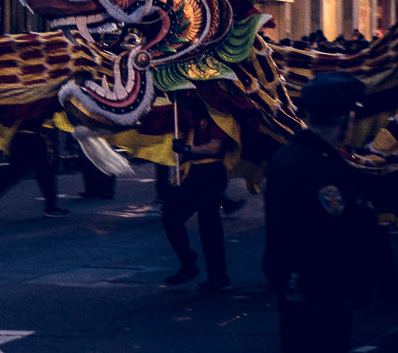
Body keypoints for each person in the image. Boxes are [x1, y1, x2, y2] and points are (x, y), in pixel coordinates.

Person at [263, 72, 386, 353]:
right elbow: (336, 237)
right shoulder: (325, 170)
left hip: (292, 288)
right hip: (321, 291)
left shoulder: (285, 157)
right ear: (346, 119)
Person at [159, 99, 233, 292]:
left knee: (209, 224)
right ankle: (188, 262)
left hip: (211, 172)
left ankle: (218, 277)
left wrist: (188, 150)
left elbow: (216, 146)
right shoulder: (188, 114)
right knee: (170, 216)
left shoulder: (219, 113)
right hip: (192, 173)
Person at [0, 117, 69, 218]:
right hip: (31, 139)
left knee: (15, 173)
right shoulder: (35, 104)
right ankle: (50, 207)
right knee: (44, 172)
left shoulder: (24, 104)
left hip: (21, 138)